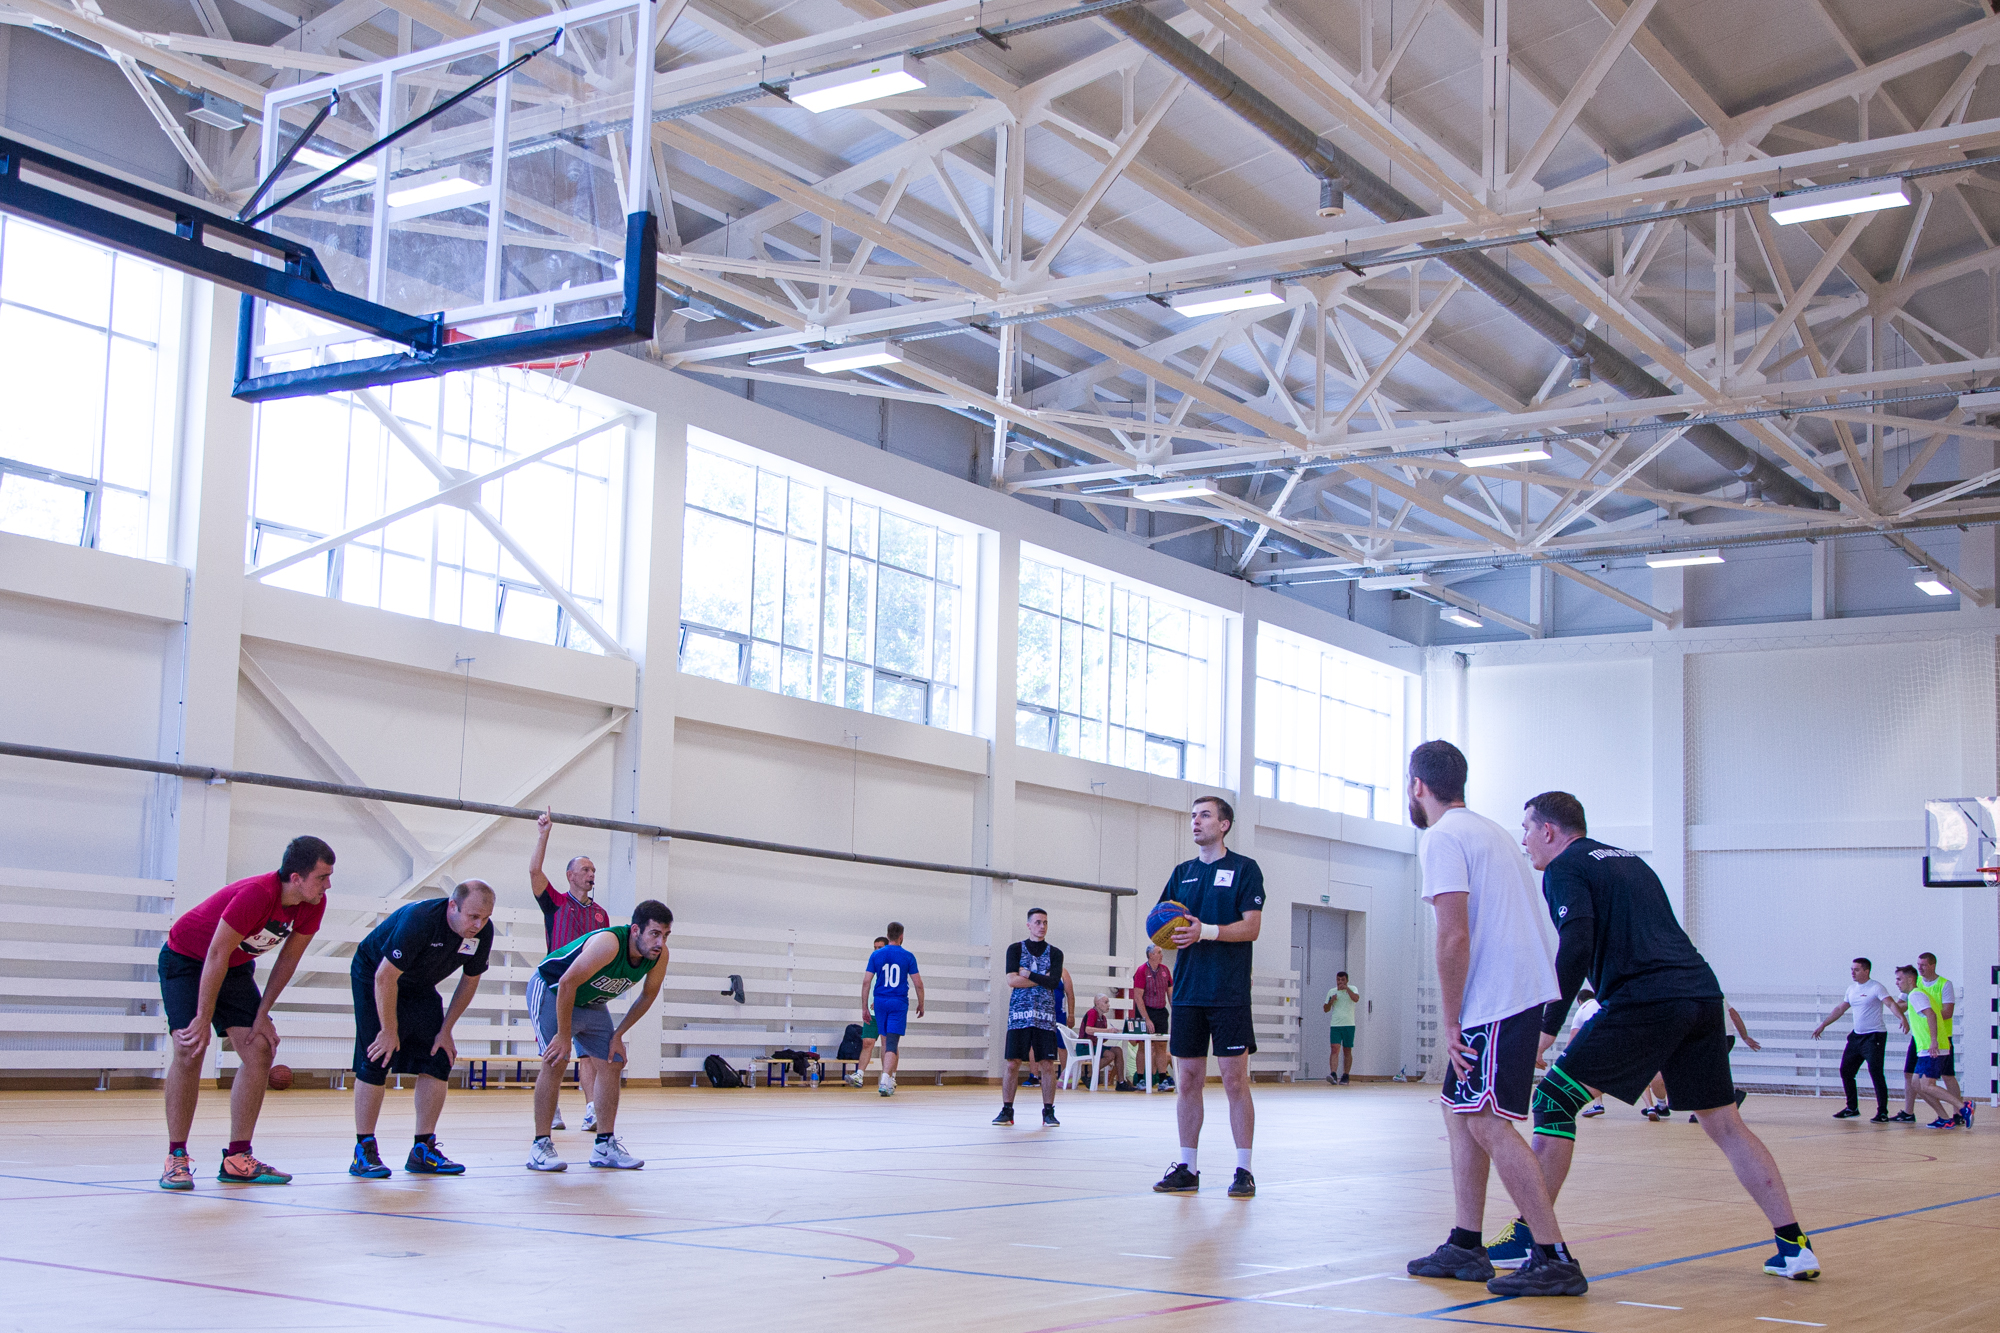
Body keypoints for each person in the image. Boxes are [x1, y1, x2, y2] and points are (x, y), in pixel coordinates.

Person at [1518, 791, 1820, 1283]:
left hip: (1646, 998)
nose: (1525, 841)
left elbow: (1576, 944)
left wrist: (1546, 1028)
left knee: (1553, 1099)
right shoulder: (1629, 860)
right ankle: (1795, 1246)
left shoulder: (1564, 867)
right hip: (1702, 994)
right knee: (1725, 1123)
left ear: (1548, 830)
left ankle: (1530, 1236)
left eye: (1527, 829)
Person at [1402, 747, 1584, 1298]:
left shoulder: (1443, 837)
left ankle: (1552, 1254)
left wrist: (1450, 1021)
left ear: (1417, 786)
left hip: (1496, 999)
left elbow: (1452, 934)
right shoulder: (1492, 832)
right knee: (1459, 1110)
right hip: (1513, 992)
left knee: (1485, 1121)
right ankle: (1466, 1242)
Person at [158, 836, 334, 1191]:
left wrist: (263, 1012)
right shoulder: (257, 894)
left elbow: (288, 959)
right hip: (188, 961)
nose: (327, 885)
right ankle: (176, 1156)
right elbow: (216, 954)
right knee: (190, 1049)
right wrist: (203, 1018)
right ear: (296, 878)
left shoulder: (313, 903)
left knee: (259, 1048)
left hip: (234, 969)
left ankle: (238, 1157)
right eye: (322, 877)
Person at [1150, 796, 1265, 1201]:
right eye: (1193, 816)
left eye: (1204, 815)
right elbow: (1160, 921)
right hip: (1187, 993)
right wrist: (1167, 932)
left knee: (1234, 1081)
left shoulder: (1245, 869)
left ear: (1224, 824)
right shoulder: (1182, 874)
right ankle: (1188, 1168)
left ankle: (1244, 1170)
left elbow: (1251, 928)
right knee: (1187, 1081)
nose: (1195, 822)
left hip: (1229, 992)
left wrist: (1207, 931)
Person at [348, 881, 496, 1179]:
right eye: (472, 917)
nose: (478, 925)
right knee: (378, 1056)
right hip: (375, 975)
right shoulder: (420, 920)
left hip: (418, 983)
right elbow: (385, 977)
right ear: (452, 906)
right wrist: (389, 1030)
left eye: (485, 918)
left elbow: (470, 981)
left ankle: (422, 1150)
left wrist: (446, 1030)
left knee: (438, 1056)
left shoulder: (483, 932)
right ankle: (363, 1150)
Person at [525, 901, 672, 1172]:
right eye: (654, 934)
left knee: (612, 1060)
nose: (660, 942)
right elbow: (567, 982)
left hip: (589, 1001)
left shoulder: (659, 956)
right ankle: (540, 1146)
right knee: (556, 1060)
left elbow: (648, 995)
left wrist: (618, 1034)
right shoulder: (609, 944)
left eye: (665, 935)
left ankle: (604, 1146)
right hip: (552, 989)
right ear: (636, 930)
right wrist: (563, 1035)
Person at [529, 808, 610, 1132]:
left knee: (590, 1054)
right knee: (555, 1053)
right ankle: (551, 1109)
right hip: (555, 988)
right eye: (585, 869)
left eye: (593, 870)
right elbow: (534, 870)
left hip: (587, 991)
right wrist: (544, 834)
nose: (591, 874)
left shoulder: (601, 915)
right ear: (570, 876)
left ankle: (592, 1110)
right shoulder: (556, 902)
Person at [996, 908, 1064, 1126]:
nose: (1042, 926)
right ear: (1028, 925)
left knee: (1047, 1064)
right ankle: (1007, 1110)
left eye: (1045, 922)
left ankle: (1048, 1111)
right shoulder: (1015, 949)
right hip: (1019, 1015)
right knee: (1012, 1063)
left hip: (1045, 1017)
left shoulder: (1055, 953)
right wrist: (1042, 978)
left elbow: (1054, 982)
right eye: (1037, 922)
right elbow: (1012, 980)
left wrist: (1028, 974)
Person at [1890, 964, 1961, 1128]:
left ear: (1910, 979)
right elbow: (1900, 1006)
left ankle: (1963, 1108)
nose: (1896, 983)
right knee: (1916, 1083)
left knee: (1929, 1084)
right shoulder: (1915, 994)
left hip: (1933, 1046)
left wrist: (1934, 1040)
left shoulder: (1918, 994)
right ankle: (1944, 1118)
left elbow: (1932, 1014)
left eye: (1899, 979)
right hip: (1923, 1046)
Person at [1907, 952, 1971, 1125]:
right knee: (1914, 1079)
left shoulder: (1944, 984)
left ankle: (1959, 1111)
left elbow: (1947, 1012)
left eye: (1923, 965)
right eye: (1918, 964)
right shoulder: (1915, 984)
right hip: (1921, 1039)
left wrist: (1928, 1016)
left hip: (1940, 1038)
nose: (1920, 968)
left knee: (1947, 1076)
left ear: (1932, 965)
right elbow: (1904, 1005)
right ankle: (1912, 1112)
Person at [862, 923, 923, 1097]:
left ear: (887, 936)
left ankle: (886, 1078)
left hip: (880, 1002)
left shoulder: (876, 955)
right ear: (901, 937)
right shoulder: (908, 956)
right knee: (891, 1043)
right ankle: (886, 1079)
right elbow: (918, 984)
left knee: (884, 1040)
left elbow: (866, 982)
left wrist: (865, 1007)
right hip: (898, 1002)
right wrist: (921, 1003)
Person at [845, 935, 890, 1088]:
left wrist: (880, 1001)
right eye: (874, 948)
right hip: (872, 1012)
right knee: (867, 1042)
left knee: (886, 1044)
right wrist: (865, 1007)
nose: (876, 950)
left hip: (885, 1011)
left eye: (880, 948)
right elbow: (866, 985)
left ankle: (888, 1077)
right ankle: (859, 1075)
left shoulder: (890, 967)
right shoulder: (872, 965)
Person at [1132, 944, 1174, 1089]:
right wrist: (1146, 1019)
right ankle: (1141, 1079)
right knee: (1143, 1045)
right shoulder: (1142, 971)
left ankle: (1162, 1080)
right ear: (1151, 955)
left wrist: (1176, 1012)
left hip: (1160, 1011)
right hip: (1145, 1010)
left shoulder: (1165, 970)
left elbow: (1170, 993)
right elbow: (1138, 997)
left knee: (1161, 1045)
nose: (1161, 955)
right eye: (1159, 952)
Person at [1081, 994, 1136, 1091]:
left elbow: (1102, 1037)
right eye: (1106, 1002)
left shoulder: (1104, 1018)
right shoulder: (1092, 1013)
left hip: (1096, 1045)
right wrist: (1108, 1031)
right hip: (1085, 1046)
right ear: (1097, 1003)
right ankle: (1089, 1075)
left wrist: (1113, 1033)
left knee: (1118, 1050)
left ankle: (1121, 1082)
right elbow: (1088, 1030)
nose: (1108, 1005)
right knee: (1110, 1055)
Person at [1322, 971, 1359, 1084]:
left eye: (1342, 980)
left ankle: (1346, 1075)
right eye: (1338, 979)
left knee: (1347, 1049)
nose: (1340, 982)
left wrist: (1347, 989)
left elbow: (1356, 998)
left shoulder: (1353, 989)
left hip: (1349, 1024)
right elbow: (1326, 1009)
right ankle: (1333, 1073)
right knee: (1334, 1048)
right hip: (1336, 1025)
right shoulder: (1332, 991)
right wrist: (1331, 1001)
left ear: (1347, 980)